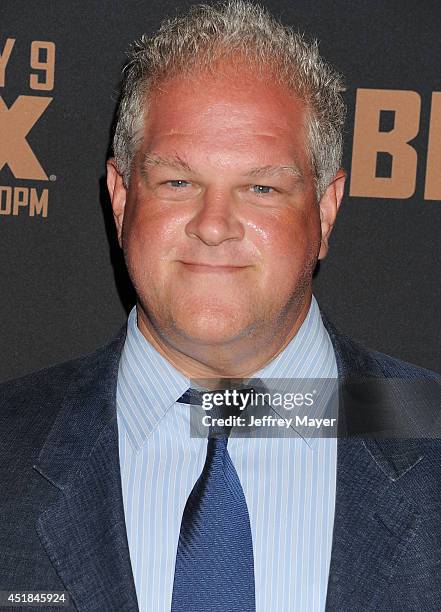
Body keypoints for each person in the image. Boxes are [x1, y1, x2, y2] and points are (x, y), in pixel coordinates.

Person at [1, 2, 441, 611]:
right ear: (121, 197)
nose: (213, 226)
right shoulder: (9, 446)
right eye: (178, 182)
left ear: (327, 209)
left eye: (262, 188)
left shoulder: (429, 433)